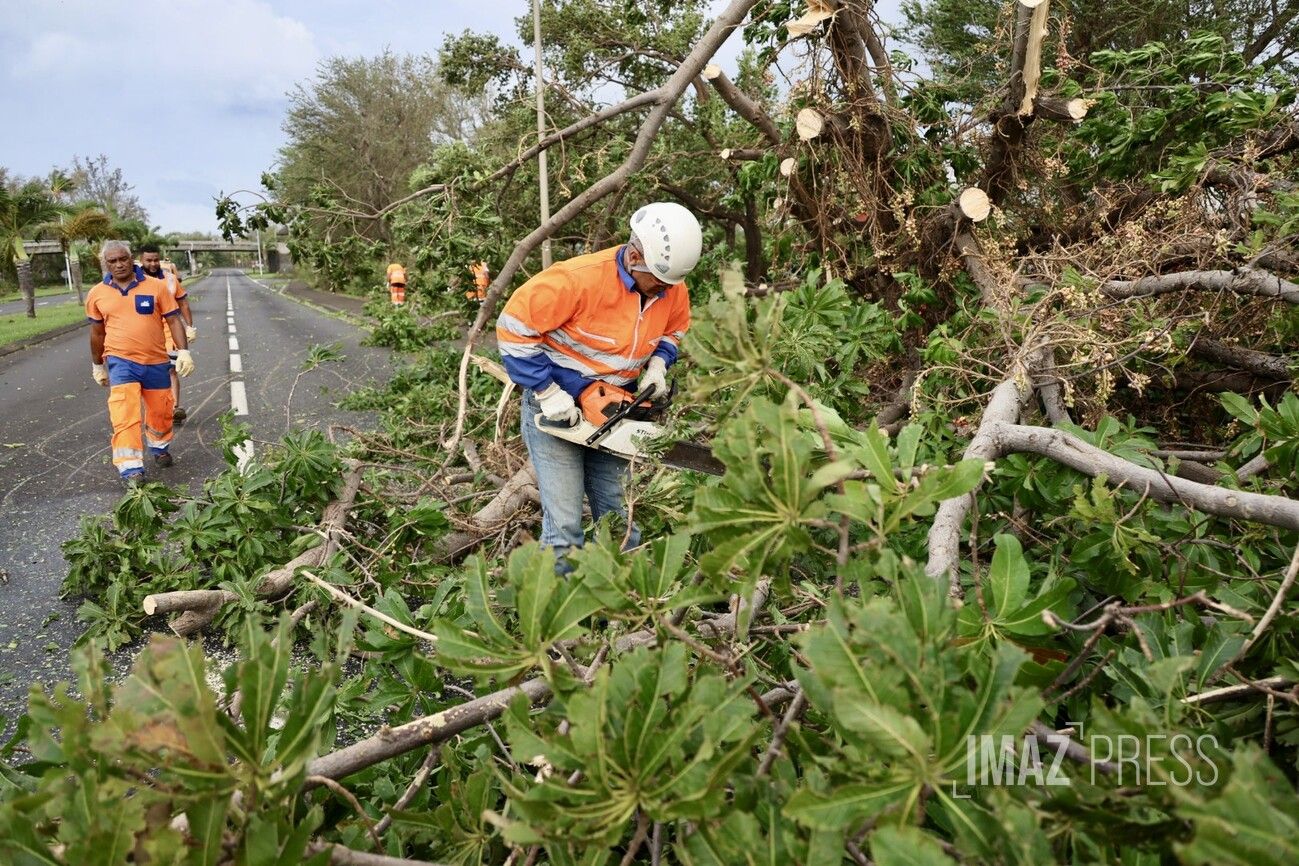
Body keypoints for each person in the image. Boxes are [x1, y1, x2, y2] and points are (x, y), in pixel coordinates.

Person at [496, 202, 701, 568]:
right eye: (657, 281)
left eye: (670, 285)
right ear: (634, 256)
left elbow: (675, 328)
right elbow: (513, 330)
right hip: (557, 406)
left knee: (619, 518)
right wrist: (547, 391)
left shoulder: (671, 287)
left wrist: (658, 363)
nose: (663, 291)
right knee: (565, 526)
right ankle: (554, 615)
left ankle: (622, 613)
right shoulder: (577, 280)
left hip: (616, 407)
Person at [86, 240, 194, 484]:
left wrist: (184, 351)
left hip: (156, 361)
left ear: (131, 258)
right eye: (112, 261)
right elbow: (97, 333)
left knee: (161, 411)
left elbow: (174, 319)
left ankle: (160, 447)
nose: (119, 264)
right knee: (124, 413)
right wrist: (97, 365)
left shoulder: (156, 287)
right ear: (106, 264)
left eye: (123, 259)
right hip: (120, 361)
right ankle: (131, 468)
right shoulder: (97, 294)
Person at [138, 244, 197, 421]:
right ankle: (154, 409)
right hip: (144, 335)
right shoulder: (134, 280)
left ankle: (175, 408)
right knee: (146, 373)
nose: (153, 263)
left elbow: (183, 303)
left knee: (171, 369)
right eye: (149, 260)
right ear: (141, 260)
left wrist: (189, 327)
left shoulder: (170, 279)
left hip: (170, 331)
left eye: (156, 259)